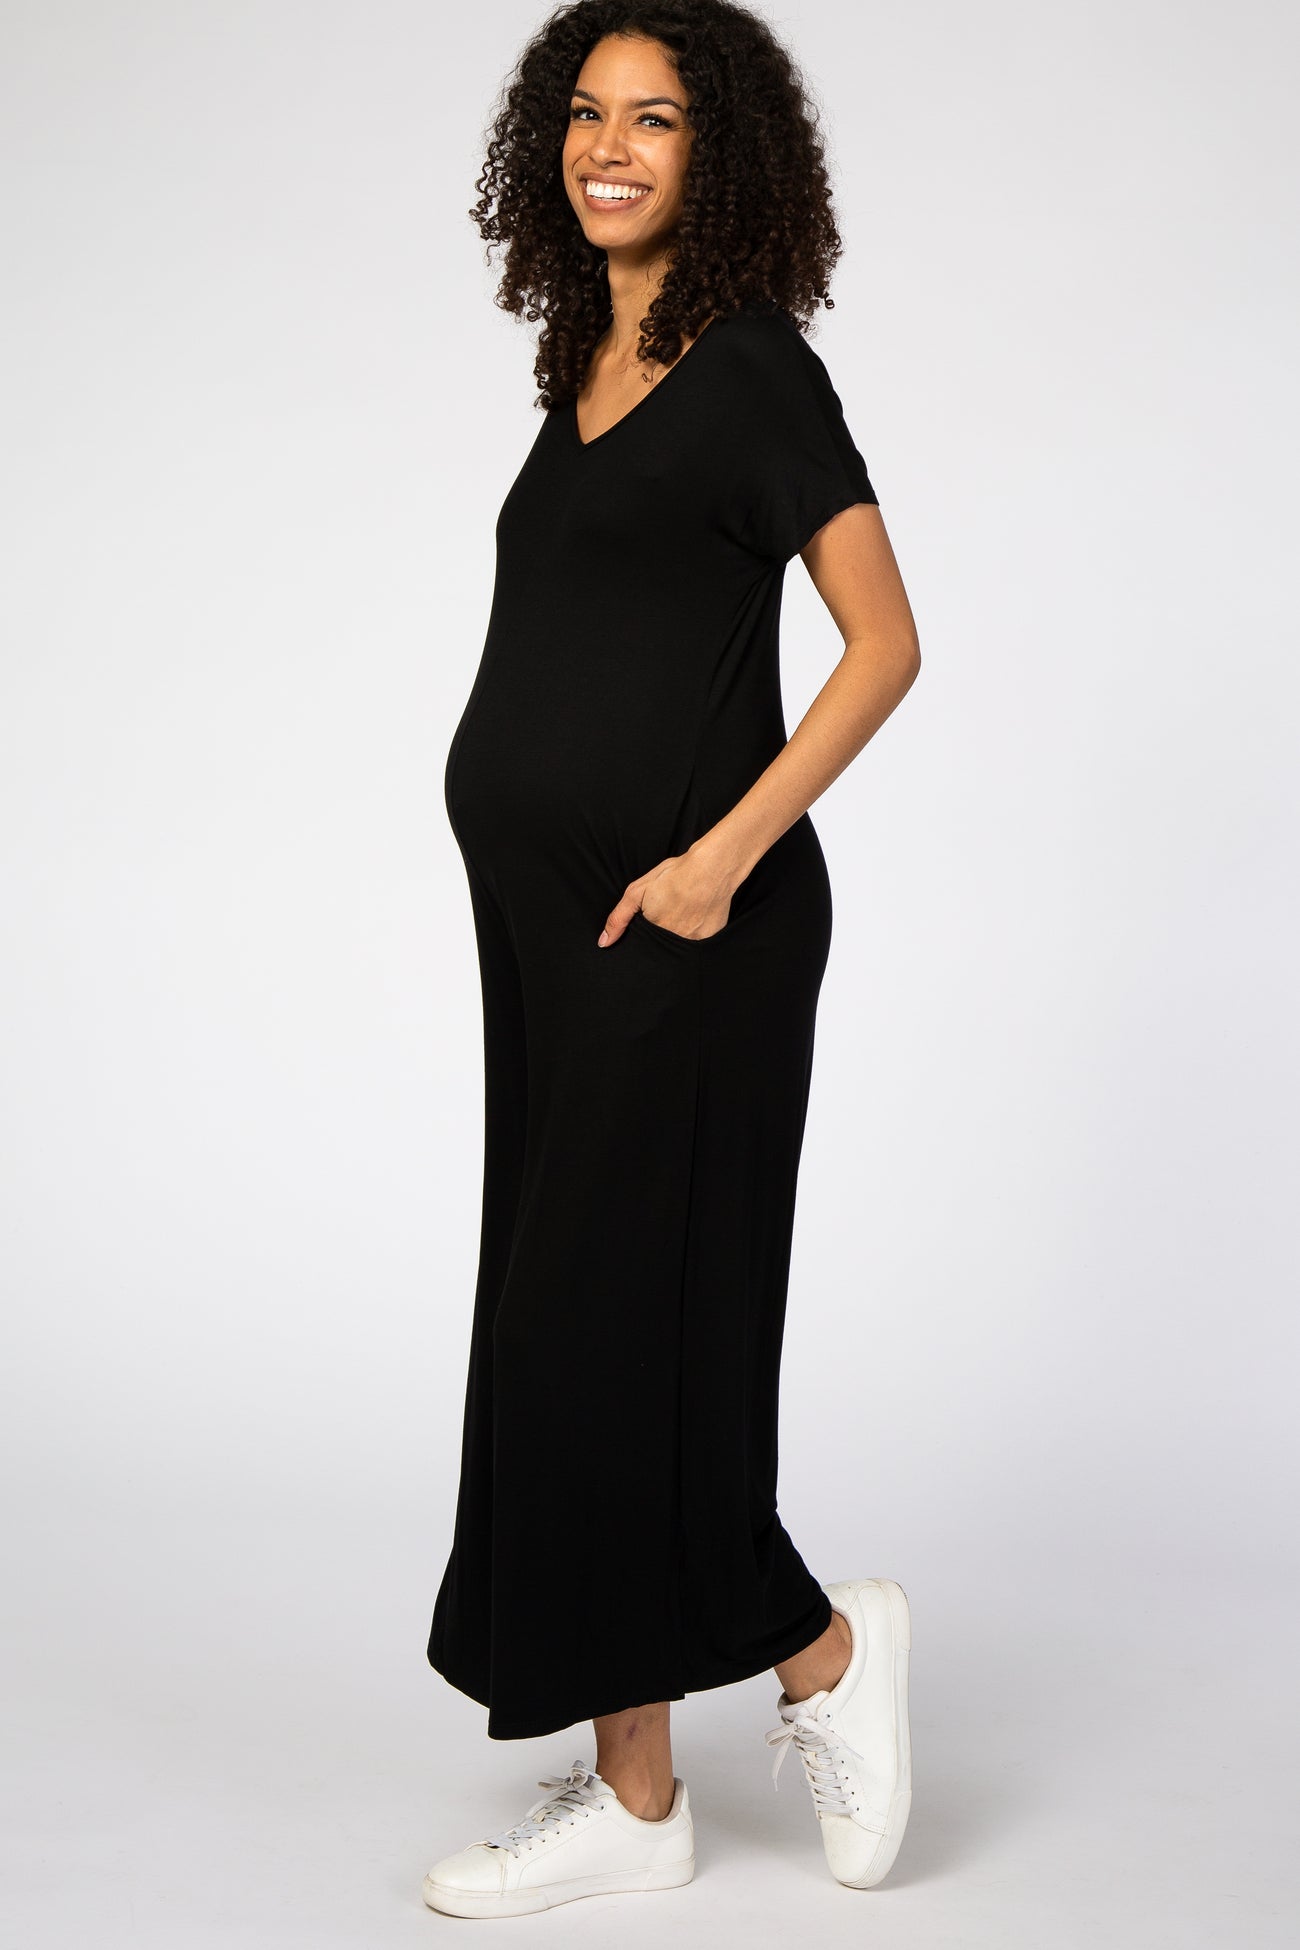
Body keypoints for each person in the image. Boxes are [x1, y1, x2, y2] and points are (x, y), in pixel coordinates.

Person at [422, 0, 921, 1918]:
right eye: (584, 112)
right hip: (550, 933)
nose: (607, 145)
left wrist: (719, 859)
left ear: (724, 159)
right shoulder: (585, 365)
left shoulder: (756, 370)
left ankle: (823, 1653)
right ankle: (636, 1798)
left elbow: (884, 641)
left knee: (619, 1338)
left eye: (655, 118)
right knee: (569, 1337)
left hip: (688, 932)